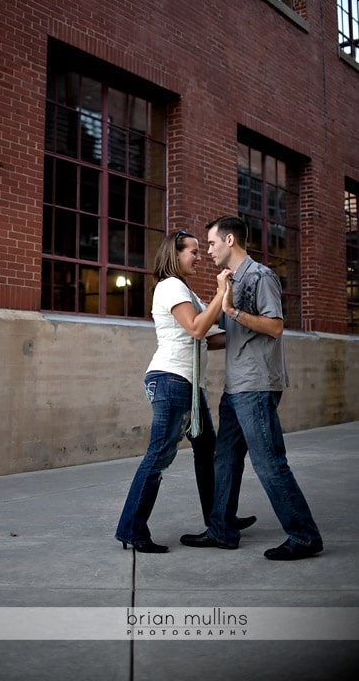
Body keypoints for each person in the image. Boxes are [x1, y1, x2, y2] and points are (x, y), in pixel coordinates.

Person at [180, 215, 323, 560]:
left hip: (257, 385)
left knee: (269, 462)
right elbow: (231, 335)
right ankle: (222, 530)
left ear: (230, 241)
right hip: (237, 386)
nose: (208, 250)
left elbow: (275, 327)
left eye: (212, 243)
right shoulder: (231, 279)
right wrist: (191, 338)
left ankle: (304, 536)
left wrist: (232, 309)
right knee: (225, 457)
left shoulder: (260, 277)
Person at [115, 229, 256, 553]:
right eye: (192, 250)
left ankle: (220, 521)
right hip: (171, 380)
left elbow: (208, 336)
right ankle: (131, 529)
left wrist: (250, 332)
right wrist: (222, 292)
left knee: (208, 452)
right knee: (160, 455)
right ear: (174, 254)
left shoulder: (187, 292)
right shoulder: (171, 286)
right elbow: (197, 327)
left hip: (189, 385)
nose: (199, 256)